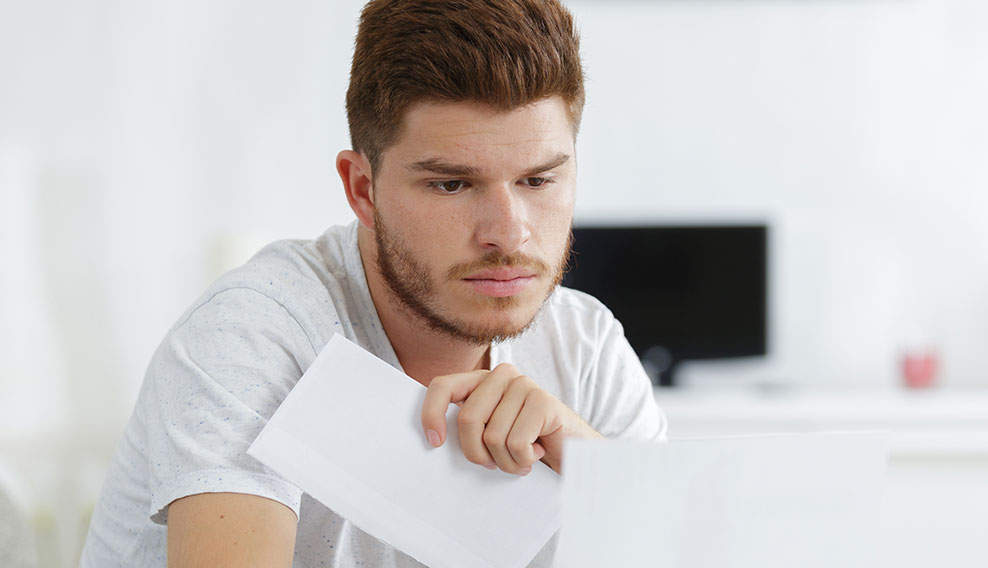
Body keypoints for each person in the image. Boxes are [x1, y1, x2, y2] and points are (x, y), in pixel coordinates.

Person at [80, 0, 667, 566]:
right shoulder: (252, 338)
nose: (509, 235)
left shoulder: (585, 347)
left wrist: (587, 462)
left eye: (539, 181)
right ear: (362, 188)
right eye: (451, 185)